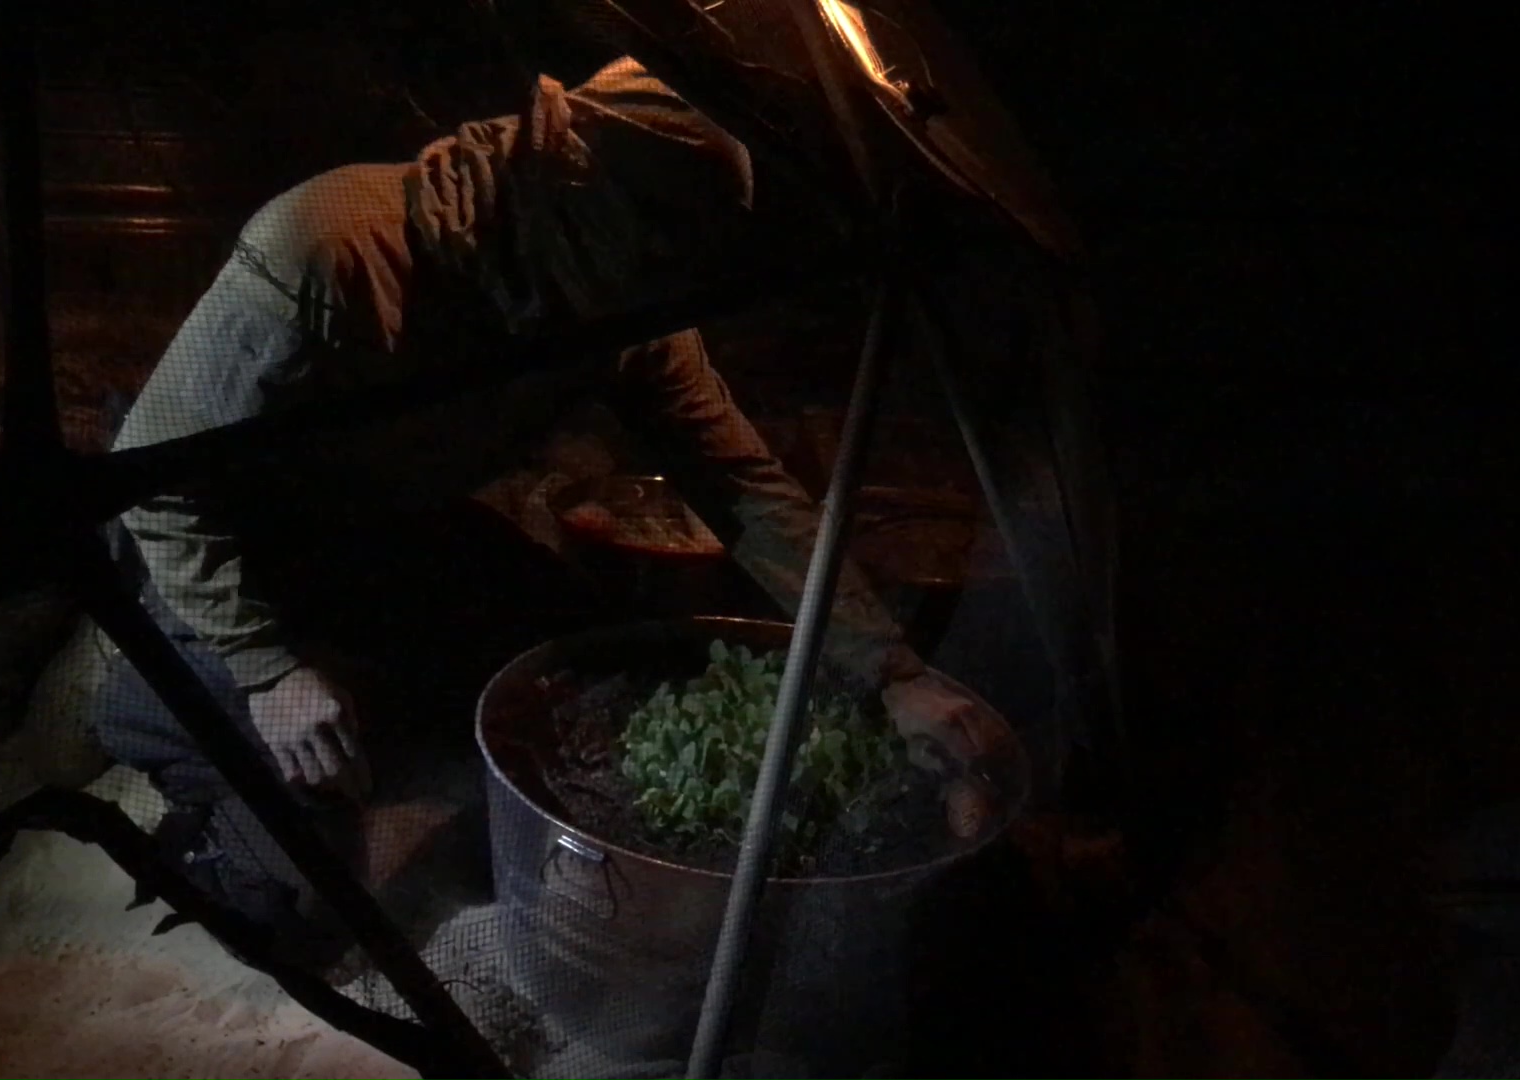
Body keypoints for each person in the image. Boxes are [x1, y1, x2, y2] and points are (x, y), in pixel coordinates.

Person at [77, 56, 998, 962]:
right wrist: (266, 664)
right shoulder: (332, 251)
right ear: (576, 193)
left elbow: (743, 486)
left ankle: (369, 702)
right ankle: (162, 706)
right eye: (658, 248)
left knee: (590, 672)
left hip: (377, 527)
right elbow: (154, 473)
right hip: (220, 537)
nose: (671, 282)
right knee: (298, 895)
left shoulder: (617, 297)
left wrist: (888, 668)